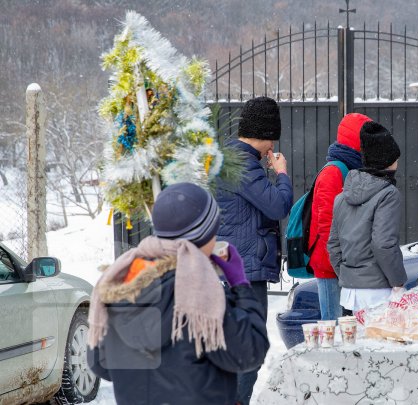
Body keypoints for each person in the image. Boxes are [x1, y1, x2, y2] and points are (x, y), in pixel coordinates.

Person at [87, 182, 269, 405]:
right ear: (205, 236)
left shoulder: (124, 280)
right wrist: (240, 285)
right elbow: (249, 353)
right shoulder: (198, 293)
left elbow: (101, 364)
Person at [215, 96, 293, 405]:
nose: (272, 147)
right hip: (244, 271)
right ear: (266, 136)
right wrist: (282, 174)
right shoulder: (243, 164)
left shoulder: (225, 159)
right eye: (272, 139)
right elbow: (277, 206)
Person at [328, 121, 407, 313]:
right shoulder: (389, 194)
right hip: (379, 291)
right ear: (389, 160)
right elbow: (383, 244)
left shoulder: (341, 197)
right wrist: (398, 282)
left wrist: (349, 275)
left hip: (350, 293)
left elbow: (333, 245)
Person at [310, 112, 372, 320]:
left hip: (346, 262)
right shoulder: (334, 172)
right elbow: (327, 223)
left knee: (347, 327)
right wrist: (340, 262)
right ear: (358, 141)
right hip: (330, 265)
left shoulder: (354, 169)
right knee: (333, 327)